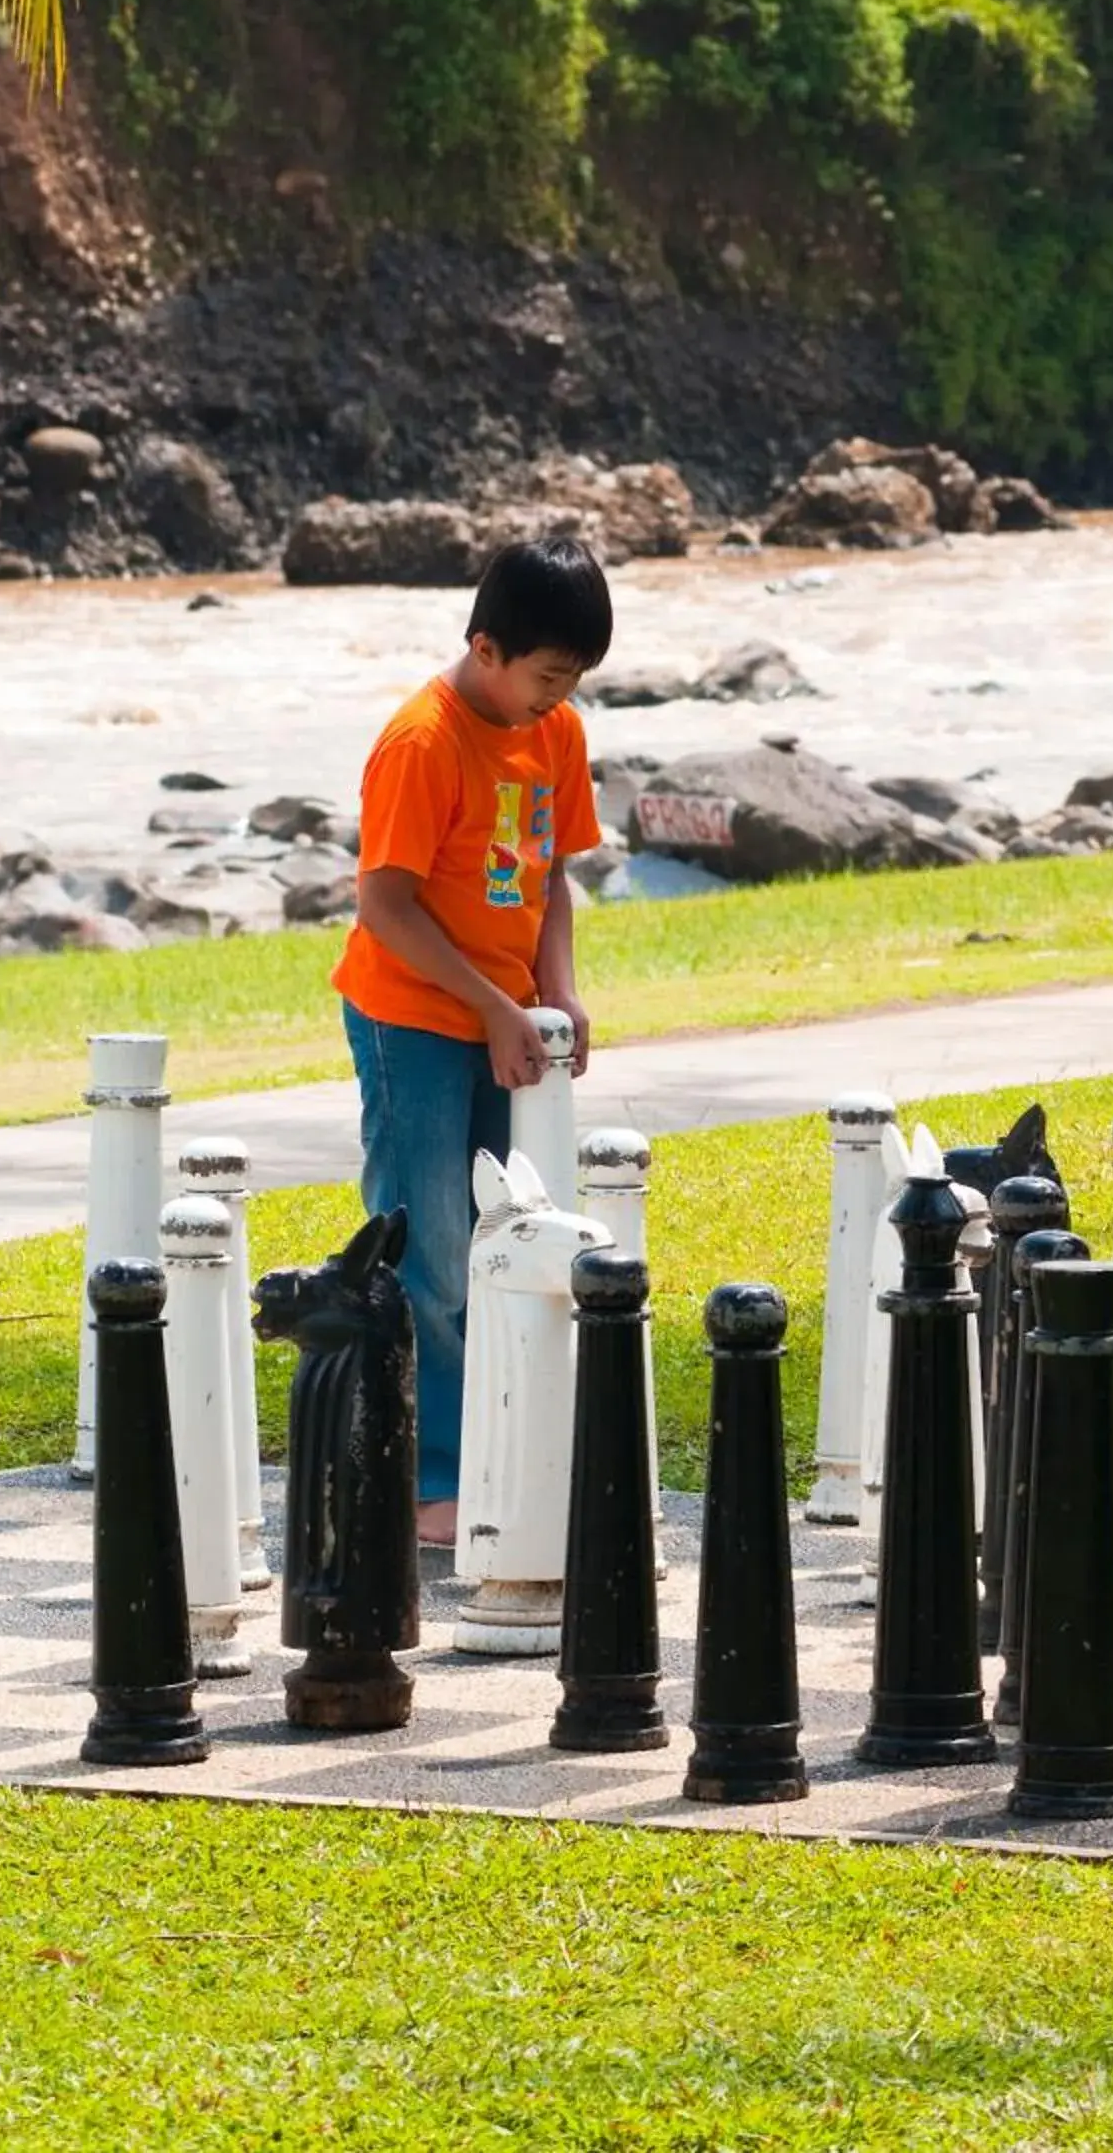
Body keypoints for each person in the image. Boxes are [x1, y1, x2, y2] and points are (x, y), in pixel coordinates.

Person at [333, 535, 612, 1546]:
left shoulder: (557, 732)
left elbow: (546, 881)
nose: (555, 699)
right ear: (486, 648)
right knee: (431, 1252)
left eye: (572, 681)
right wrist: (493, 1008)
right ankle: (424, 1477)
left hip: (503, 1021)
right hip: (411, 1019)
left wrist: (556, 990)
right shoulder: (422, 742)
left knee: (511, 1236)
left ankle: (502, 1445)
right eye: (544, 676)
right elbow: (386, 907)